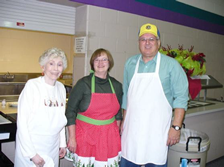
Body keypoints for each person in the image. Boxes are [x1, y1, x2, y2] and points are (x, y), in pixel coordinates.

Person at [120, 23, 189, 167]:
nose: (147, 43)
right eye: (143, 39)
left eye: (151, 39)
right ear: (138, 42)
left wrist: (176, 127)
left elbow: (181, 98)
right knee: (128, 160)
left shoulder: (171, 65)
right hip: (132, 130)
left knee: (156, 161)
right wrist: (124, 123)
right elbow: (127, 96)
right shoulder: (130, 63)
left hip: (157, 131)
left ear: (159, 43)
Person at [65, 48, 123, 167]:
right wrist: (72, 137)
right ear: (92, 63)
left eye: (104, 59)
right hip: (86, 136)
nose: (100, 63)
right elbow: (70, 111)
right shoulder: (83, 84)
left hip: (109, 137)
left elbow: (118, 114)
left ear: (109, 63)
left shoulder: (116, 86)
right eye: (97, 60)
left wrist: (116, 136)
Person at [14, 48, 68, 167]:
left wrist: (62, 143)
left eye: (59, 65)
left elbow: (60, 118)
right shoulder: (32, 86)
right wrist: (32, 154)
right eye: (51, 63)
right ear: (43, 66)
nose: (55, 68)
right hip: (32, 146)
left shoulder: (61, 88)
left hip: (52, 146)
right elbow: (22, 123)